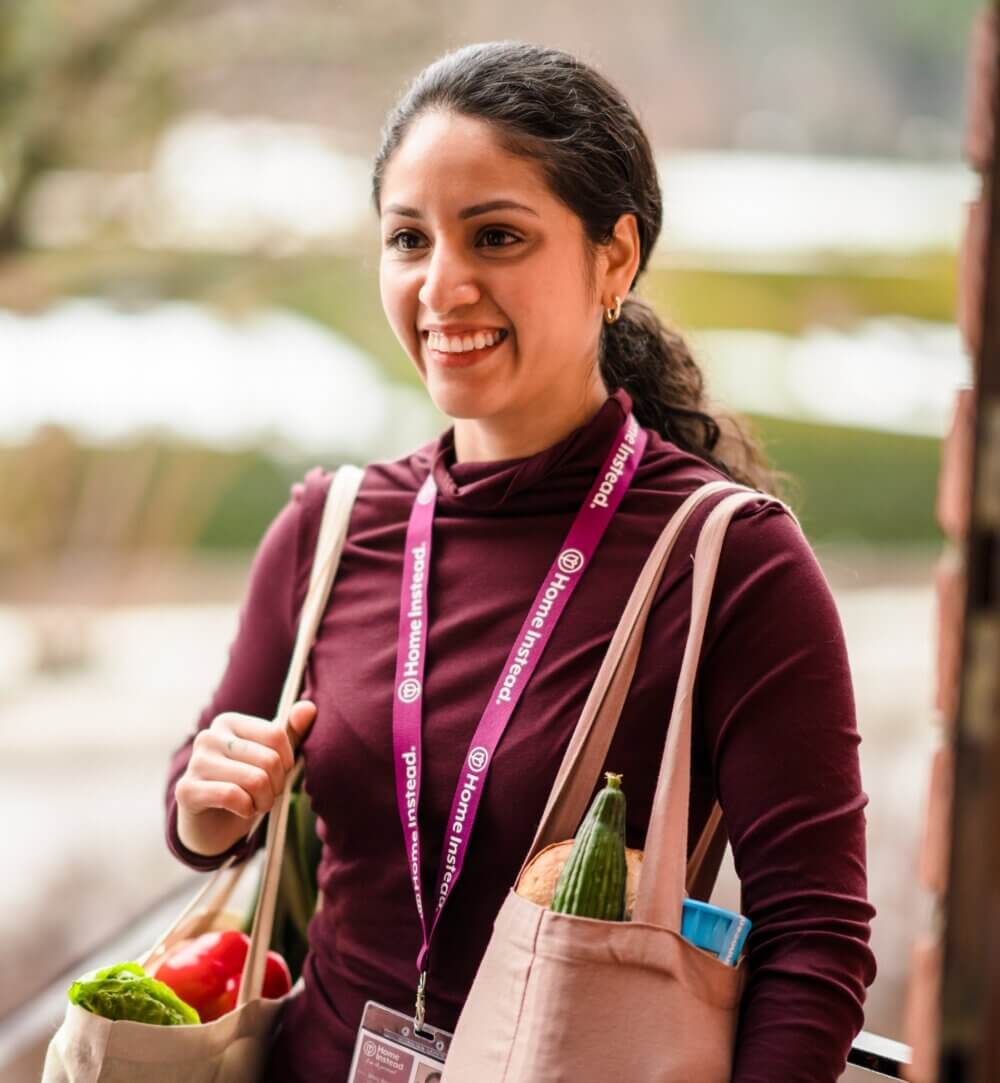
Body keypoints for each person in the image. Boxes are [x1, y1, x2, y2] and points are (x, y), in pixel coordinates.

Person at [165, 41, 877, 1083]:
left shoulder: (730, 562)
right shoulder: (331, 526)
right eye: (409, 239)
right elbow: (201, 819)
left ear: (614, 259)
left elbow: (814, 941)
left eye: (495, 236)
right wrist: (207, 800)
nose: (442, 286)